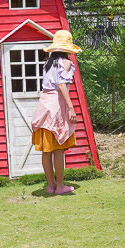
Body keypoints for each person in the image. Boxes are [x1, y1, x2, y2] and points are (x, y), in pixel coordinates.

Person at [30, 30, 81, 195]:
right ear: (67, 48)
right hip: (57, 107)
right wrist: (71, 107)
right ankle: (60, 186)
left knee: (47, 150)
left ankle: (51, 185)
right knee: (59, 149)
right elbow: (61, 86)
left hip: (44, 106)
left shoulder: (47, 64)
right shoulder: (65, 63)